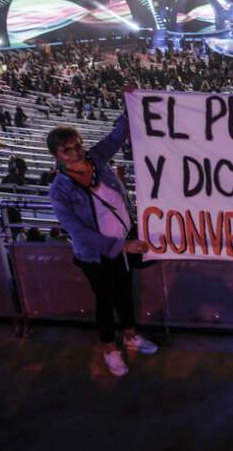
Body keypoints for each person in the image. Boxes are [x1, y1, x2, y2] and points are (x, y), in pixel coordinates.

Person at [47, 110, 157, 377]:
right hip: (97, 255)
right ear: (56, 156)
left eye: (78, 146)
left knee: (124, 293)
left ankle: (130, 336)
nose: (76, 152)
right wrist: (120, 246)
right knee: (106, 300)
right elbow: (78, 232)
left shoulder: (95, 158)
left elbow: (117, 136)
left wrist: (129, 103)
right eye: (67, 150)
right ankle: (110, 350)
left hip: (123, 242)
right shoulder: (59, 190)